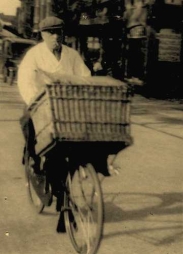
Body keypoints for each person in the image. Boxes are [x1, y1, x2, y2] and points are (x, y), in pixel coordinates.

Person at [17, 16, 91, 210]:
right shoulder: (34, 54)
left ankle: (63, 187)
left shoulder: (72, 55)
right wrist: (35, 102)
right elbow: (25, 81)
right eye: (51, 32)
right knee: (27, 122)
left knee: (72, 145)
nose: (55, 36)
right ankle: (33, 161)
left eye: (58, 31)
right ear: (43, 35)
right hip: (39, 104)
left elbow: (85, 76)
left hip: (65, 105)